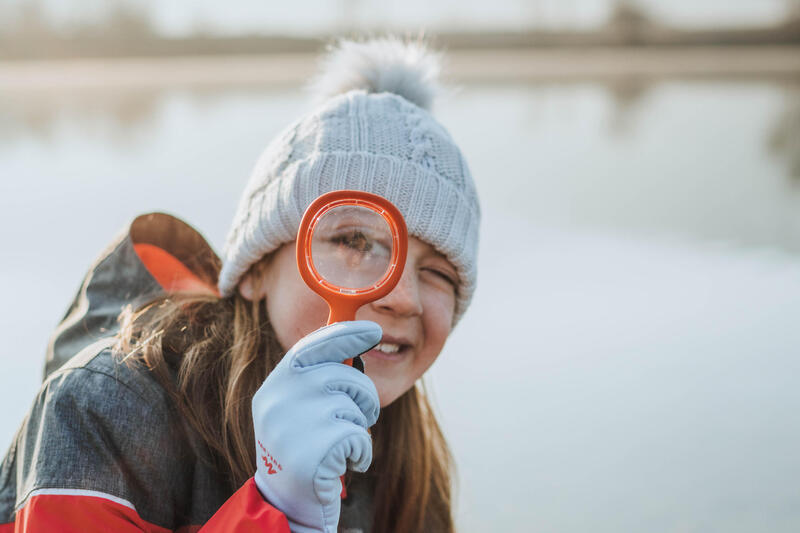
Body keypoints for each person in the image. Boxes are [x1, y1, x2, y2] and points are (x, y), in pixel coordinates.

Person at [0, 36, 480, 533]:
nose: (402, 297)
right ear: (254, 271)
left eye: (439, 273)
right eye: (355, 240)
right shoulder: (99, 410)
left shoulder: (403, 457)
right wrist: (276, 511)